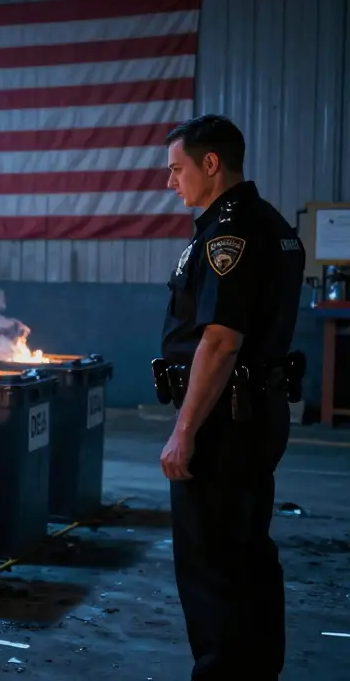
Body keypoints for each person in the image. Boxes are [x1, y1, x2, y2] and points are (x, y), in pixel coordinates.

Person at [157, 114, 305, 680]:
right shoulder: (270, 223)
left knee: (212, 566)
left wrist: (184, 431)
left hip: (226, 421)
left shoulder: (230, 232)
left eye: (177, 169)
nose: (171, 182)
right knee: (247, 560)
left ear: (211, 164)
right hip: (256, 411)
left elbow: (219, 342)